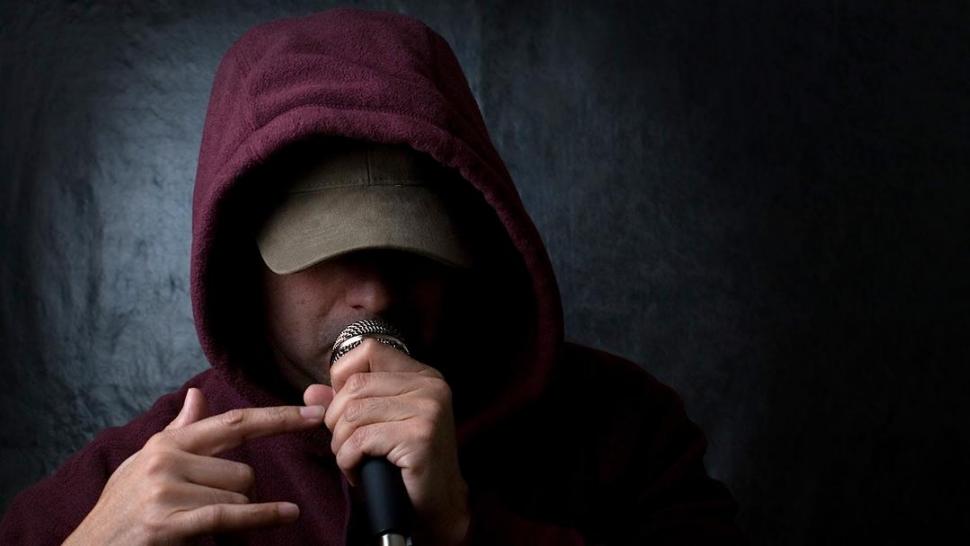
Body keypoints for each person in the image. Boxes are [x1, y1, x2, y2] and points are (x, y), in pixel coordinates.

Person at [0, 7, 746, 545]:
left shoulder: (627, 431)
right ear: (241, 263)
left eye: (414, 249)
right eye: (326, 251)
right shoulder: (144, 469)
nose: (377, 296)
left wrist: (467, 526)